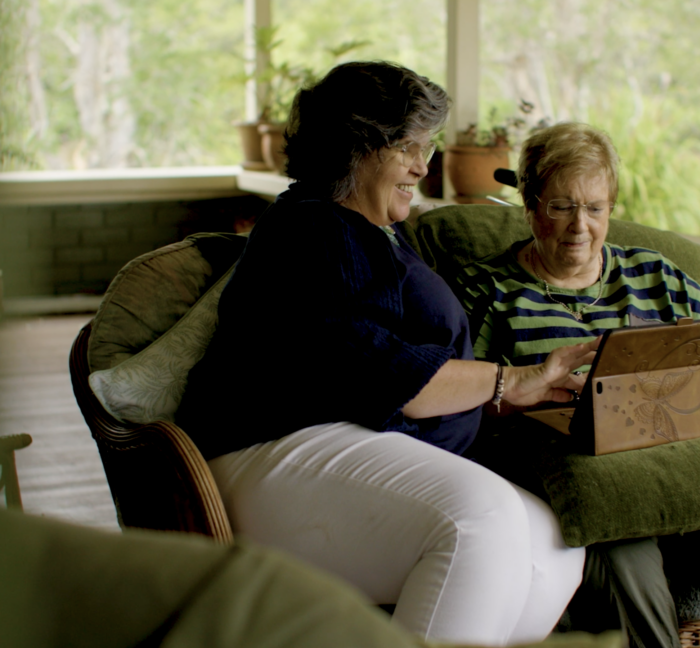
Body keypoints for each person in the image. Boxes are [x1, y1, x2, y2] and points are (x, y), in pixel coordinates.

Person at [175, 62, 601, 647]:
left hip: (352, 444)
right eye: (410, 147)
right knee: (481, 519)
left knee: (553, 537)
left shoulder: (379, 231)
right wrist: (508, 378)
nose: (423, 166)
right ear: (357, 147)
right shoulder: (313, 227)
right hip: (272, 448)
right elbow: (386, 375)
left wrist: (513, 390)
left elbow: (415, 384)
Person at [455, 122, 700, 648]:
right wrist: (528, 389)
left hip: (679, 459)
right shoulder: (487, 291)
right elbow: (458, 400)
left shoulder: (654, 275)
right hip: (583, 483)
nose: (579, 227)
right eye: (561, 207)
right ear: (529, 205)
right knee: (618, 548)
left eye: (595, 208)